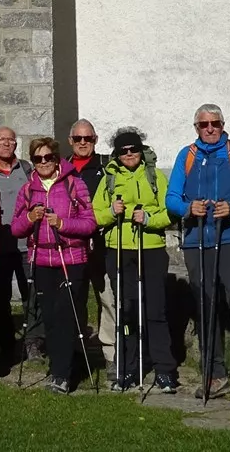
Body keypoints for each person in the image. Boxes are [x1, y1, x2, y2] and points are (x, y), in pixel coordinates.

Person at [165, 103, 230, 403]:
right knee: (205, 309)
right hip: (197, 242)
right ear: (196, 127)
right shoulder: (186, 156)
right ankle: (215, 375)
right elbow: (171, 197)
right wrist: (188, 208)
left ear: (223, 125)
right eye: (203, 124)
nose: (210, 129)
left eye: (215, 123)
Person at [95, 128, 179, 394]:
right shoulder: (108, 177)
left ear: (141, 150)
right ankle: (128, 368)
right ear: (117, 154)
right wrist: (112, 212)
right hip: (119, 249)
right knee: (127, 310)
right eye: (123, 151)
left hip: (151, 248)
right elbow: (95, 215)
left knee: (155, 310)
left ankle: (165, 370)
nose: (129, 154)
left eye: (133, 149)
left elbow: (172, 211)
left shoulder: (155, 176)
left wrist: (149, 219)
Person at [11, 135, 97, 394]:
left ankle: (62, 373)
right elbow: (16, 228)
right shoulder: (28, 189)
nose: (44, 162)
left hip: (70, 258)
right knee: (49, 317)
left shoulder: (75, 185)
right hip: (42, 259)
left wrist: (62, 224)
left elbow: (90, 224)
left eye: (49, 157)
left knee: (67, 316)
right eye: (38, 158)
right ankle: (62, 367)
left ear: (57, 158)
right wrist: (29, 217)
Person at [0, 126, 34, 364]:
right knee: (0, 300)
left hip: (27, 245)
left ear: (15, 144)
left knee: (31, 297)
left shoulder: (28, 170)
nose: (6, 144)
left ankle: (33, 343)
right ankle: (6, 345)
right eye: (1, 140)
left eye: (10, 140)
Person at [67, 119, 109, 347]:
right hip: (73, 244)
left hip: (102, 242)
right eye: (78, 138)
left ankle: (110, 348)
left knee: (108, 298)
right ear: (70, 141)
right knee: (76, 295)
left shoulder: (106, 167)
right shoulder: (62, 168)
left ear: (95, 140)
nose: (83, 143)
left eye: (88, 138)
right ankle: (78, 343)